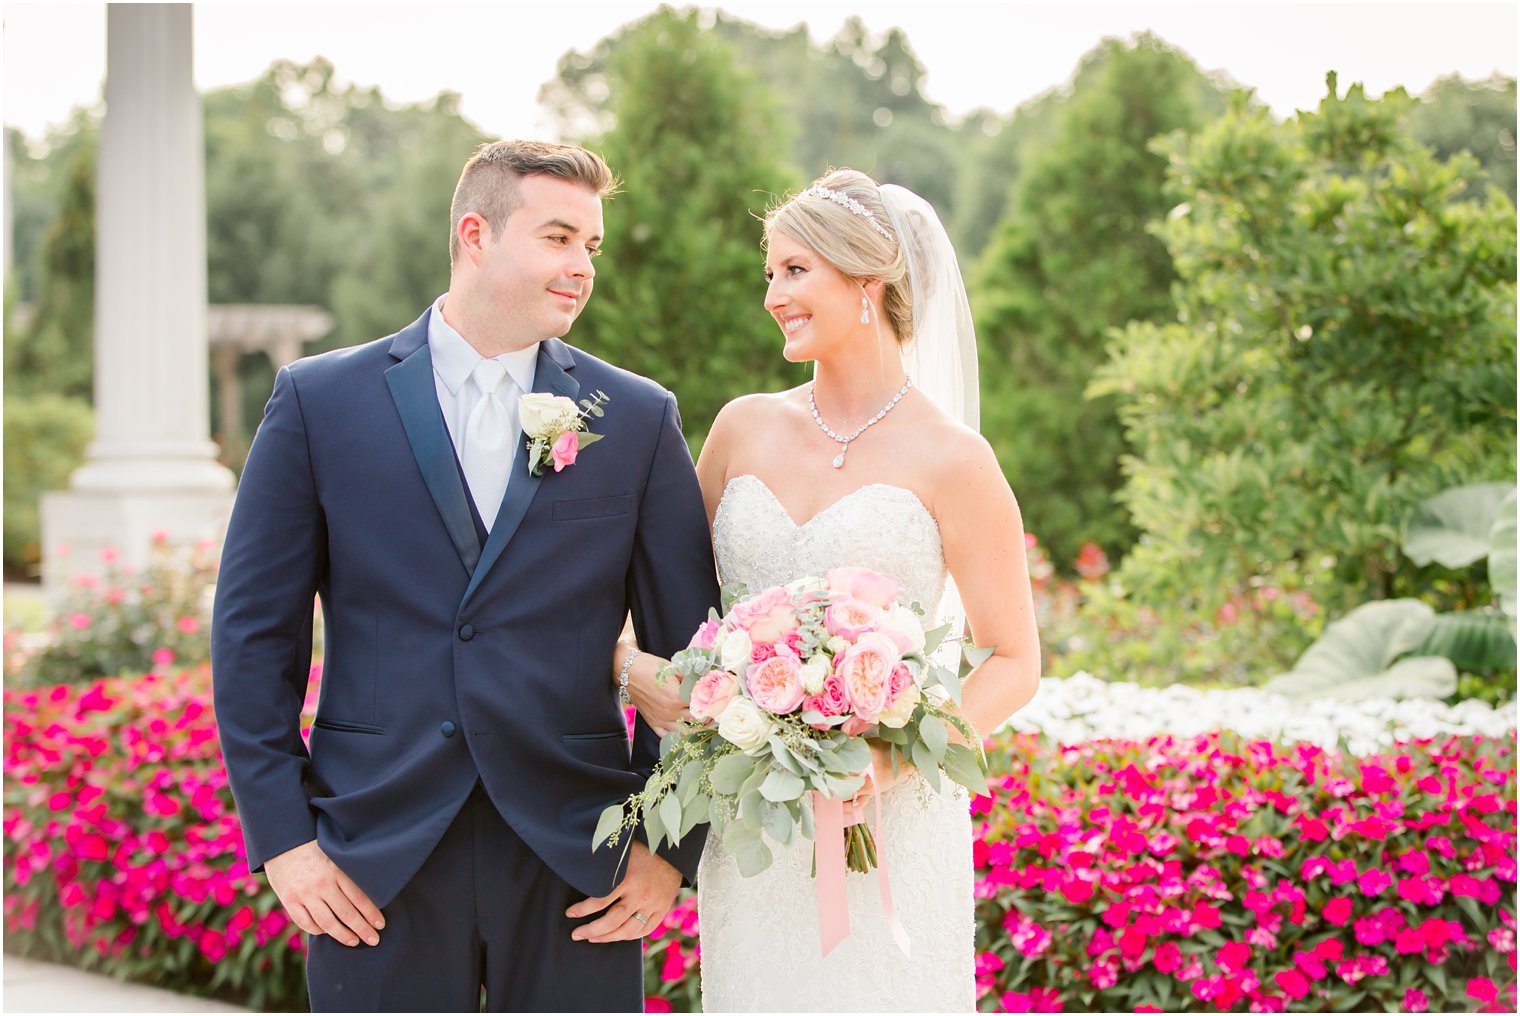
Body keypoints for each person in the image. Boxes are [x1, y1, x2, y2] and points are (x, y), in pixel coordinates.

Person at [212, 139, 720, 1012]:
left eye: (590, 247)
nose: (580, 267)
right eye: (558, 238)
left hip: (578, 854)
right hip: (374, 853)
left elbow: (693, 650)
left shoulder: (635, 417)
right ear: (475, 234)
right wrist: (286, 842)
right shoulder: (318, 402)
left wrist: (669, 847)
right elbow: (254, 635)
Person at [615, 169, 1041, 1010]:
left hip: (885, 825)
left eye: (795, 270)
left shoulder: (955, 459)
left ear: (867, 285)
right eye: (769, 272)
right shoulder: (741, 427)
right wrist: (632, 668)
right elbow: (662, 599)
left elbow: (1014, 661)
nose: (773, 294)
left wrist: (883, 763)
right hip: (754, 825)